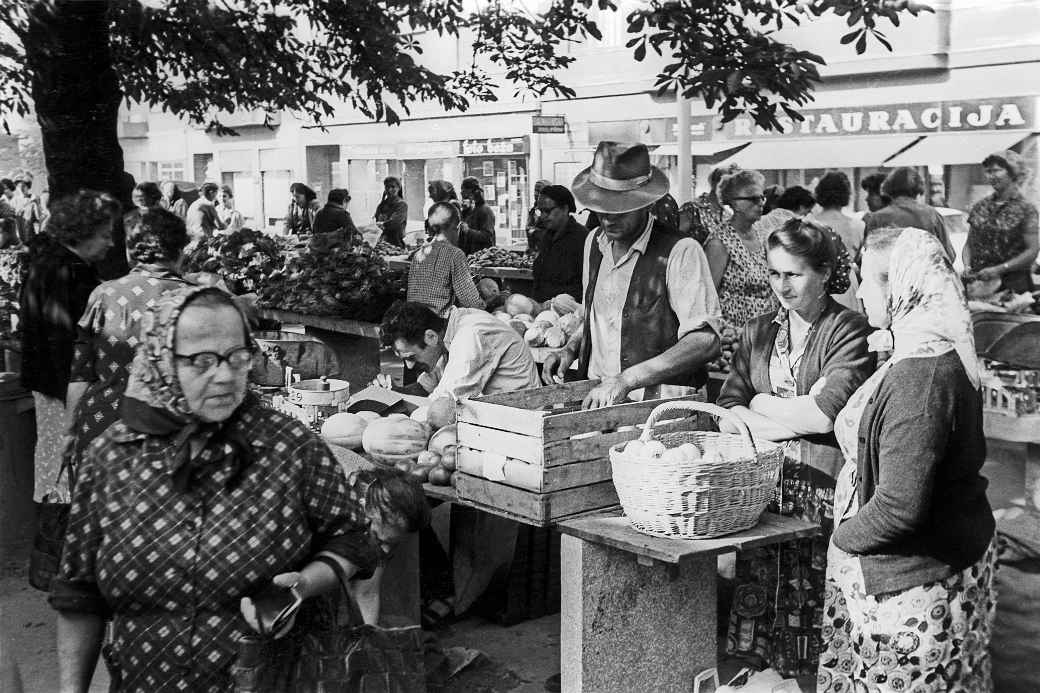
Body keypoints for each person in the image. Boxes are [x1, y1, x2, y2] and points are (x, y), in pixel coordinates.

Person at [49, 286, 388, 691]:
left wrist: (304, 584)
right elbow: (78, 596)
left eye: (237, 356)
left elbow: (353, 538)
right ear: (161, 359)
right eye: (202, 360)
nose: (225, 375)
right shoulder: (110, 458)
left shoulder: (290, 447)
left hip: (273, 678)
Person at [817, 227, 996, 692]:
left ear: (899, 286)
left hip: (910, 585)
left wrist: (843, 538)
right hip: (941, 557)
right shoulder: (928, 350)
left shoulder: (922, 379)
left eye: (865, 280)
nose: (857, 291)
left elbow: (899, 506)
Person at [717, 218, 874, 678]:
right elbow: (728, 406)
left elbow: (824, 415)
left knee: (815, 601)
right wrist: (790, 413)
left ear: (824, 274)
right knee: (762, 595)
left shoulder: (848, 331)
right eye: (773, 273)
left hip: (821, 492)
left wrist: (760, 403)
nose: (780, 286)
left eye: (793, 274)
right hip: (767, 490)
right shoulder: (758, 330)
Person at [542, 141, 722, 408]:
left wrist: (628, 379)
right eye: (602, 209)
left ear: (646, 203)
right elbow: (600, 317)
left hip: (659, 409)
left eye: (620, 208)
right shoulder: (593, 243)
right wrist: (571, 348)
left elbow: (705, 341)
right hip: (597, 398)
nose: (608, 219)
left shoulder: (681, 251)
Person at [63, 208, 193, 475]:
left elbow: (80, 375)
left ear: (131, 252)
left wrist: (68, 432)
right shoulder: (198, 300)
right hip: (171, 432)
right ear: (180, 251)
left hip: (103, 427)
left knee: (102, 512)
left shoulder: (103, 294)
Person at [19, 190, 119, 502]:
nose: (111, 243)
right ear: (82, 233)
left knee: (53, 470)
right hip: (64, 391)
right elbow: (69, 346)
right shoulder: (69, 273)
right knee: (65, 475)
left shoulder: (49, 264)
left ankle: (55, 537)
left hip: (50, 387)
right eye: (105, 235)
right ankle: (63, 541)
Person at [378, 301, 540, 423]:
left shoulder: (470, 336)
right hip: (498, 418)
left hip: (521, 422)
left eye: (411, 357)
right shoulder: (447, 331)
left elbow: (444, 407)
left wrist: (392, 422)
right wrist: (392, 393)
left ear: (431, 337)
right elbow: (425, 388)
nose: (410, 366)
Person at [704, 168, 780, 331]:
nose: (760, 203)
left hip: (764, 335)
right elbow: (707, 299)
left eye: (762, 198)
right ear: (735, 203)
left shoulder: (762, 236)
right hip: (734, 338)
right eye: (753, 199)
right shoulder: (719, 242)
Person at [963, 149, 1039, 293]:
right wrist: (967, 266)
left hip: (1013, 287)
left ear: (1013, 173)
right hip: (979, 286)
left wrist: (999, 269)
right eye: (988, 171)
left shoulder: (1026, 209)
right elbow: (969, 244)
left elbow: (1032, 251)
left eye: (996, 170)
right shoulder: (980, 206)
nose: (991, 176)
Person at [406, 202, 483, 318]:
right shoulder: (455, 254)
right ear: (456, 227)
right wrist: (488, 305)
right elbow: (470, 302)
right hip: (438, 325)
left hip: (414, 321)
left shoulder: (418, 254)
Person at [863, 167, 954, 260]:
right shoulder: (932, 215)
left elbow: (870, 259)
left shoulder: (877, 218)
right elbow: (949, 255)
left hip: (890, 273)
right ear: (919, 188)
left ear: (888, 188)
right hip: (924, 272)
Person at [810, 171, 865, 311]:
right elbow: (857, 258)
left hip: (817, 283)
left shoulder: (809, 223)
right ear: (846, 194)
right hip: (847, 283)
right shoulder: (858, 225)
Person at [530, 185, 587, 303]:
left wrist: (556, 302)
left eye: (547, 211)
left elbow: (585, 285)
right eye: (540, 211)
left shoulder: (582, 239)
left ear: (565, 209)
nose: (543, 216)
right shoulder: (546, 236)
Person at [678, 164, 741, 245]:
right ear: (716, 184)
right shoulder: (692, 209)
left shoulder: (727, 215)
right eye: (731, 186)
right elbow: (673, 240)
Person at [459, 177, 495, 254]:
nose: (461, 193)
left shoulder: (485, 210)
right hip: (471, 256)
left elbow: (487, 236)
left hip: (481, 258)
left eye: (463, 190)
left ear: (471, 192)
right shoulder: (473, 209)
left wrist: (468, 231)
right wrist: (465, 211)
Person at [375, 176, 408, 247]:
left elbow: (395, 222)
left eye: (393, 187)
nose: (389, 190)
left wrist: (382, 225)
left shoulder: (401, 205)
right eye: (387, 187)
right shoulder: (381, 205)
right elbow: (376, 221)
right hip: (381, 243)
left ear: (398, 188)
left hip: (396, 244)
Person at [525, 179, 553, 252]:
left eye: (539, 191)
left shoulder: (552, 211)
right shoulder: (534, 210)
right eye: (535, 190)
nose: (535, 193)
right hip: (533, 250)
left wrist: (533, 231)